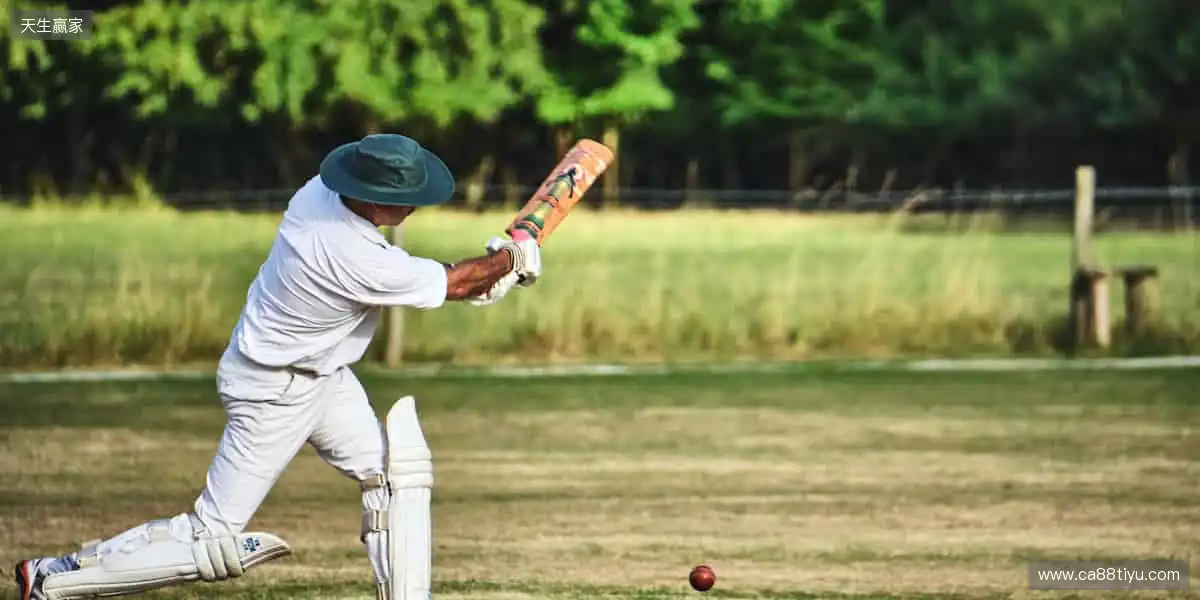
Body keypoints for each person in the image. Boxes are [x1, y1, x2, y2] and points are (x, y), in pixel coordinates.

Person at [14, 133, 541, 600]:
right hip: (276, 391)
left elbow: (454, 282)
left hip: (322, 378)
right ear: (373, 197)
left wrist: (498, 268)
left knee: (395, 476)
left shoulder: (321, 192)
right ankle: (53, 580)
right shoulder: (344, 252)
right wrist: (512, 258)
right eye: (404, 199)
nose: (413, 208)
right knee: (211, 537)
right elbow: (453, 283)